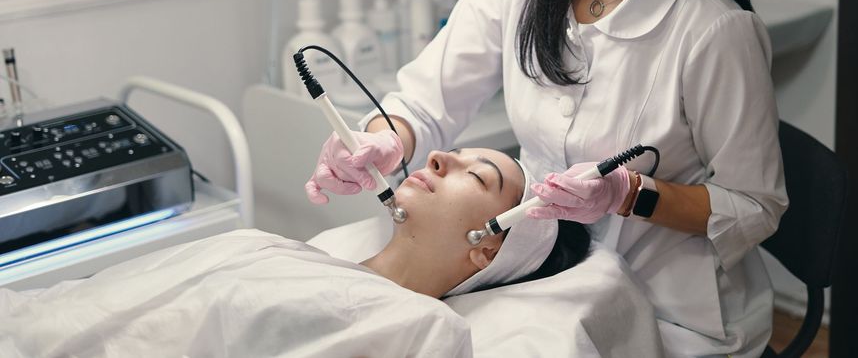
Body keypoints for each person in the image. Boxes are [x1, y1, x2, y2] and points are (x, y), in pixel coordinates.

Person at [307, 0, 788, 357]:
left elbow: (756, 206)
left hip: (673, 317)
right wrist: (384, 141)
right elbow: (424, 104)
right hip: (547, 281)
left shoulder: (712, 32)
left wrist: (627, 194)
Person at [0, 148, 589, 357]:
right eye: (454, 151)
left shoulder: (424, 330)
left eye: (476, 176)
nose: (437, 158)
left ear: (485, 250)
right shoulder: (271, 246)